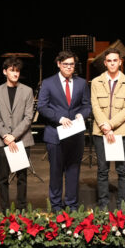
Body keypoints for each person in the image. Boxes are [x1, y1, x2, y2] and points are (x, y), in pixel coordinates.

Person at [37, 51, 92, 211]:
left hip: (75, 135)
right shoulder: (48, 83)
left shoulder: (81, 83)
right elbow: (42, 107)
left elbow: (87, 105)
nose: (69, 67)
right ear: (59, 64)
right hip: (55, 134)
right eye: (66, 64)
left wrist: (82, 114)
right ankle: (56, 206)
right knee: (55, 172)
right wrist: (59, 118)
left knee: (73, 172)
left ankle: (71, 205)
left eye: (72, 64)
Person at [91, 48, 125, 210]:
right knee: (103, 170)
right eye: (109, 60)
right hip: (101, 132)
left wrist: (111, 125)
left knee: (122, 170)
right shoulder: (96, 82)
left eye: (115, 60)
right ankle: (103, 204)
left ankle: (121, 204)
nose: (112, 63)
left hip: (121, 132)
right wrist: (105, 126)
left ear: (120, 62)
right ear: (105, 63)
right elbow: (95, 105)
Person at [0, 56, 35, 211]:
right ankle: (4, 208)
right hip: (3, 140)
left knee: (22, 177)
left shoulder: (27, 91)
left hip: (21, 139)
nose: (15, 74)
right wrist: (5, 136)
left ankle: (22, 208)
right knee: (3, 178)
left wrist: (13, 136)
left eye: (17, 71)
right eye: (12, 70)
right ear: (5, 72)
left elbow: (28, 117)